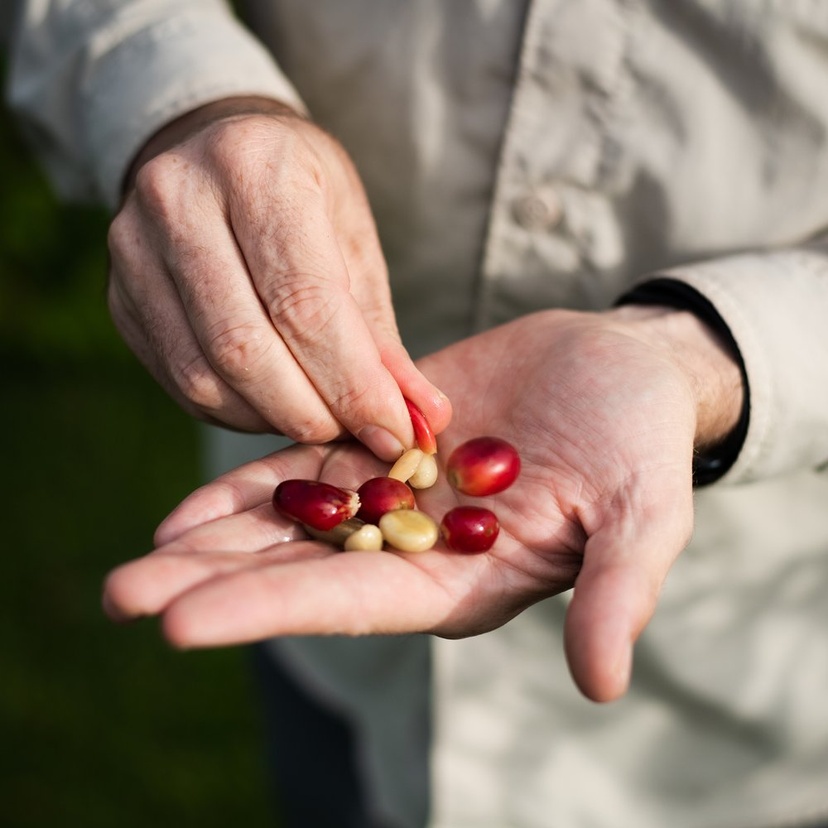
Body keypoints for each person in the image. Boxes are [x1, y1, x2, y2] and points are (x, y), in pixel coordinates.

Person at [8, 2, 828, 827]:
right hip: (335, 667)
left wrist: (710, 357)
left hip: (734, 702)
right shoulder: (385, 514)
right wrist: (183, 102)